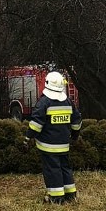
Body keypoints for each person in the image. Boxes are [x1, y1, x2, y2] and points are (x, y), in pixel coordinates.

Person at [24, 71, 82, 204]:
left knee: (52, 169)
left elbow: (35, 124)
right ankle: (70, 194)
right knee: (65, 167)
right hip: (64, 144)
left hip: (48, 146)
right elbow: (76, 121)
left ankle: (56, 198)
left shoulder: (44, 102)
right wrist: (75, 136)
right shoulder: (68, 101)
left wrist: (28, 138)